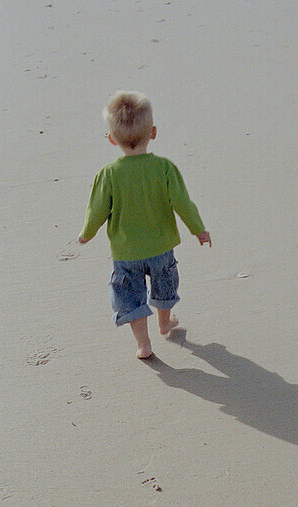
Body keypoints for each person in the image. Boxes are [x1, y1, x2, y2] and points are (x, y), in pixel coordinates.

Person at [77, 91, 211, 359]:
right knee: (165, 286)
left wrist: (86, 234)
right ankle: (165, 322)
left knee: (131, 297)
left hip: (126, 253)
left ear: (112, 139)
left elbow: (97, 210)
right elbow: (183, 203)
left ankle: (144, 344)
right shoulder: (164, 168)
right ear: (153, 132)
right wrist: (198, 228)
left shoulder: (108, 174)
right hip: (161, 247)